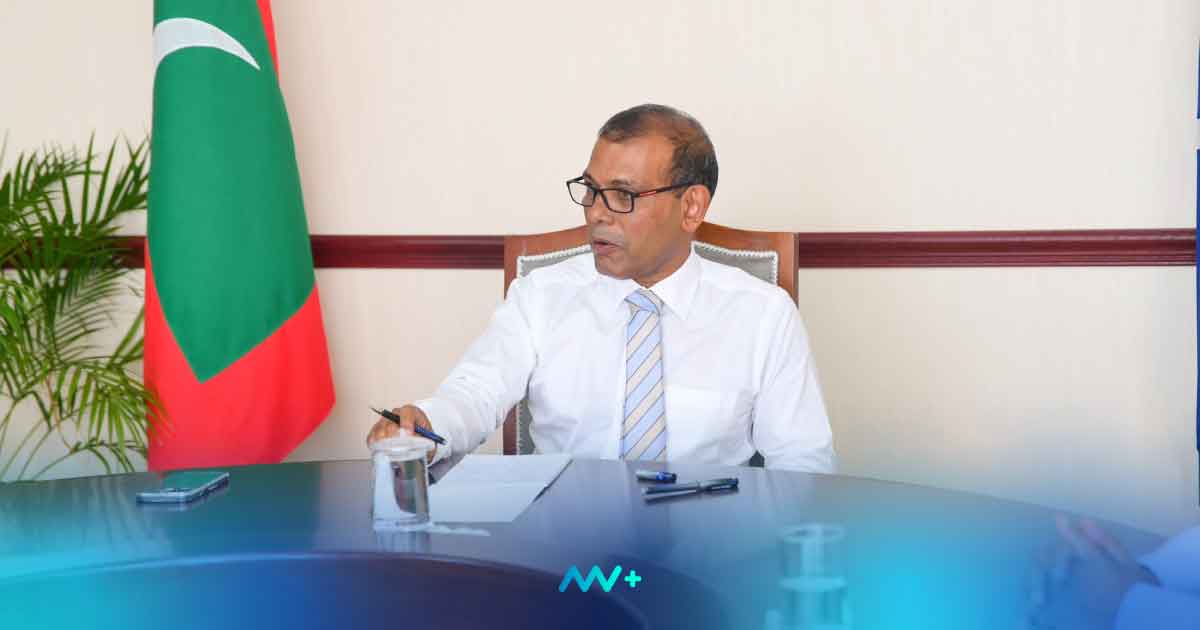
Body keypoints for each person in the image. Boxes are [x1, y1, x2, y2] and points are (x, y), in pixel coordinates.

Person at [366, 104, 835, 472]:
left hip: (708, 544)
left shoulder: (762, 314)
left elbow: (802, 464)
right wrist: (428, 424)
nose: (596, 212)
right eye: (591, 190)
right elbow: (475, 393)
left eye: (623, 195)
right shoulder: (541, 296)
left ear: (692, 207)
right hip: (562, 540)